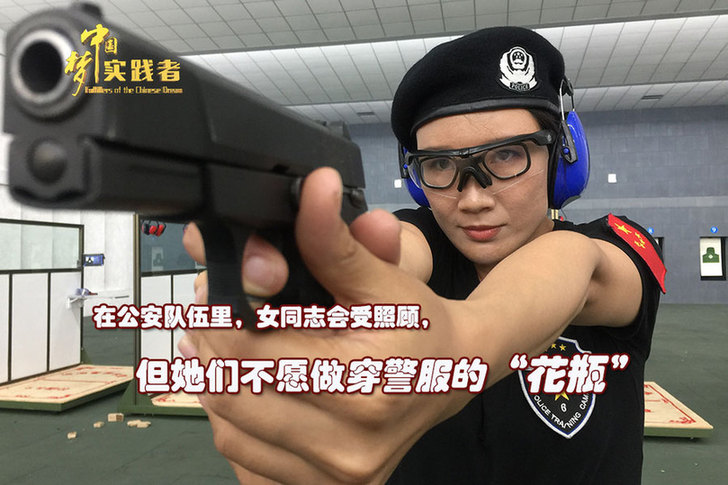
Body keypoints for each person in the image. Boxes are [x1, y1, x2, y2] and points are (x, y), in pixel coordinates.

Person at [181, 26, 665, 484]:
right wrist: (306, 283)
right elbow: (390, 254)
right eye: (439, 164)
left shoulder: (615, 245)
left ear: (560, 157)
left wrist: (463, 340)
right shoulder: (423, 235)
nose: (472, 199)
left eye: (506, 155)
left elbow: (574, 263)